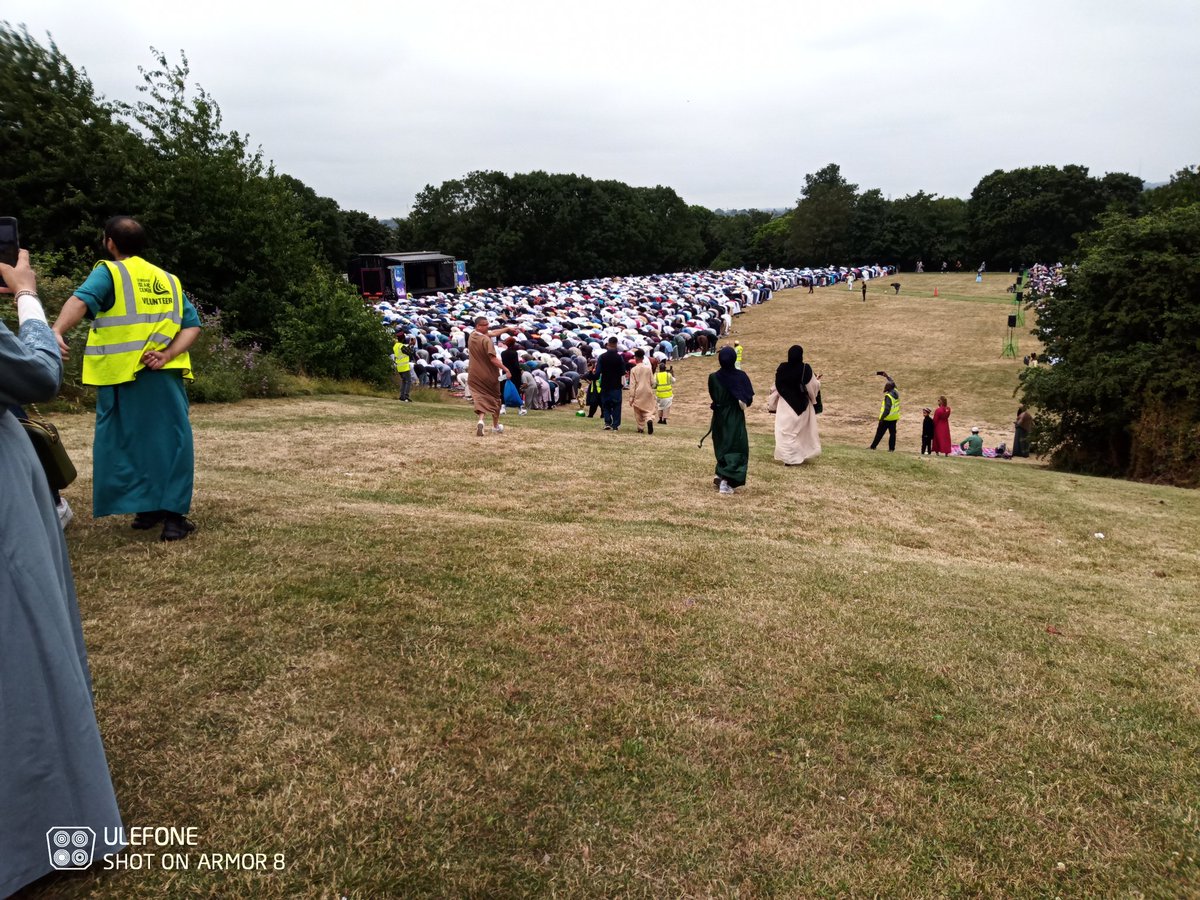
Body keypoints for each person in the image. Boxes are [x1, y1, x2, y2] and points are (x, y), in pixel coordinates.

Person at [1, 249, 125, 896]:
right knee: (20, 635)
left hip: (122, 383)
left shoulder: (113, 276)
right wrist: (26, 296)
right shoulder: (152, 281)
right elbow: (37, 369)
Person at [51, 216, 200, 541]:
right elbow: (193, 325)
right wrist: (167, 355)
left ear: (110, 243)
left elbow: (80, 301)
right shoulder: (168, 279)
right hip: (162, 375)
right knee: (172, 442)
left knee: (127, 441)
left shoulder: (110, 271)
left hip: (120, 375)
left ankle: (148, 509)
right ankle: (168, 514)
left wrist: (56, 331)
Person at [706, 345, 753, 494]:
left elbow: (713, 395)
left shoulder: (713, 377)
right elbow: (746, 399)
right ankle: (726, 481)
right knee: (736, 446)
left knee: (722, 444)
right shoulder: (740, 376)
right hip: (733, 414)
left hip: (719, 414)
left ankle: (720, 473)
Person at [772, 344, 821, 466]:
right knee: (798, 432)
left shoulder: (782, 368)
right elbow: (813, 386)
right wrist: (818, 382)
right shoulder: (805, 368)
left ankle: (789, 458)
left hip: (784, 405)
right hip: (801, 405)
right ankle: (793, 457)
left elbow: (776, 386)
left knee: (785, 432)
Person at [466, 315, 512, 436]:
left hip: (474, 374)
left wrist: (506, 329)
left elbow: (493, 332)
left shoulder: (472, 335)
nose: (488, 326)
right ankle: (495, 426)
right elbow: (493, 359)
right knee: (495, 398)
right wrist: (506, 369)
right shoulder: (487, 341)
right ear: (478, 326)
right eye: (485, 325)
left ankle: (481, 421)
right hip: (489, 374)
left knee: (480, 397)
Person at [596, 336, 626, 431]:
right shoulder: (619, 358)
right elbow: (622, 372)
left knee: (606, 405)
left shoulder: (602, 357)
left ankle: (607, 422)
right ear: (616, 344)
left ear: (608, 344)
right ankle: (615, 425)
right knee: (617, 405)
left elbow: (597, 372)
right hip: (616, 385)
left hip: (605, 384)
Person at [868, 373, 901, 452]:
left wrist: (882, 418)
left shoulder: (888, 396)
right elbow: (892, 382)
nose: (885, 386)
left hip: (886, 418)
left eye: (886, 386)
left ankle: (873, 446)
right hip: (894, 418)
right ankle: (891, 449)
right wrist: (886, 376)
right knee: (892, 434)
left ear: (889, 388)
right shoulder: (896, 391)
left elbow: (887, 409)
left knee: (879, 433)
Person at [628, 348, 656, 434]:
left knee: (638, 409)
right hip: (648, 391)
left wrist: (631, 397)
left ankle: (640, 427)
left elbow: (632, 384)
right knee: (648, 409)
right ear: (643, 358)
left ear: (635, 358)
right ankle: (649, 419)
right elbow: (653, 382)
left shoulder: (633, 370)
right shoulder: (648, 368)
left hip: (638, 391)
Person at [500, 336, 528, 416]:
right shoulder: (514, 353)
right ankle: (520, 408)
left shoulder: (503, 353)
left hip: (505, 372)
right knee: (516, 390)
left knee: (504, 390)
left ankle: (503, 408)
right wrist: (520, 371)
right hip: (514, 374)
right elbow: (515, 365)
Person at [654, 360, 675, 425]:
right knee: (666, 407)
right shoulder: (668, 375)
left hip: (659, 394)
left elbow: (654, 385)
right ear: (665, 368)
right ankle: (664, 420)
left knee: (660, 406)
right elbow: (673, 381)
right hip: (667, 394)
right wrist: (672, 373)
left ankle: (660, 419)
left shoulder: (656, 375)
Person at [393, 333, 413, 402]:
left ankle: (402, 396)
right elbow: (410, 352)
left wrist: (409, 345)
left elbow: (404, 352)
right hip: (404, 366)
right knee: (408, 381)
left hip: (399, 366)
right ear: (403, 339)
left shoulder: (395, 345)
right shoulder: (401, 346)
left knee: (404, 381)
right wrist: (411, 345)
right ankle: (406, 396)